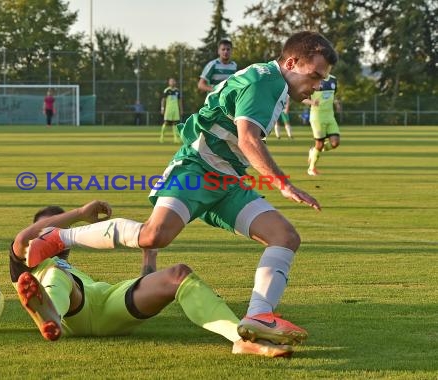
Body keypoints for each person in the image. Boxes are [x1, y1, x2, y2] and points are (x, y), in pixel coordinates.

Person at [25, 31, 338, 347]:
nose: (317, 85)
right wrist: (282, 183)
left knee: (285, 237)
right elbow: (247, 138)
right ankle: (57, 237)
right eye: (314, 76)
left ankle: (257, 316)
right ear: (292, 62)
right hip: (197, 168)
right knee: (154, 235)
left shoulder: (273, 81)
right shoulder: (266, 83)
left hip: (227, 180)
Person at [11, 200, 293, 357]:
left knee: (178, 275)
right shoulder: (26, 266)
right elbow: (24, 238)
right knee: (57, 275)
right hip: (70, 310)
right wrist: (80, 214)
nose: (59, 231)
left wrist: (150, 260)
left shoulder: (69, 266)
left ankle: (240, 338)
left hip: (106, 302)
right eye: (51, 227)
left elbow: (145, 285)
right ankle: (50, 313)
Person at [303, 74, 341, 176]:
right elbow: (301, 98)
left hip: (330, 117)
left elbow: (334, 95)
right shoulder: (313, 79)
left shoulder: (333, 79)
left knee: (335, 143)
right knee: (319, 144)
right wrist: (312, 102)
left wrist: (337, 104)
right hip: (317, 117)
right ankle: (311, 169)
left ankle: (314, 150)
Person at [159, 78, 183, 143]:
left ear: (175, 82)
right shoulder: (166, 90)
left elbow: (180, 101)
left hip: (175, 110)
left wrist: (181, 109)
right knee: (166, 122)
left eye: (173, 81)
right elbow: (163, 100)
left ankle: (175, 138)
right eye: (171, 81)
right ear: (169, 83)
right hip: (168, 109)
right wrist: (162, 108)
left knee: (175, 123)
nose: (172, 82)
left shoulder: (177, 91)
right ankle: (162, 137)